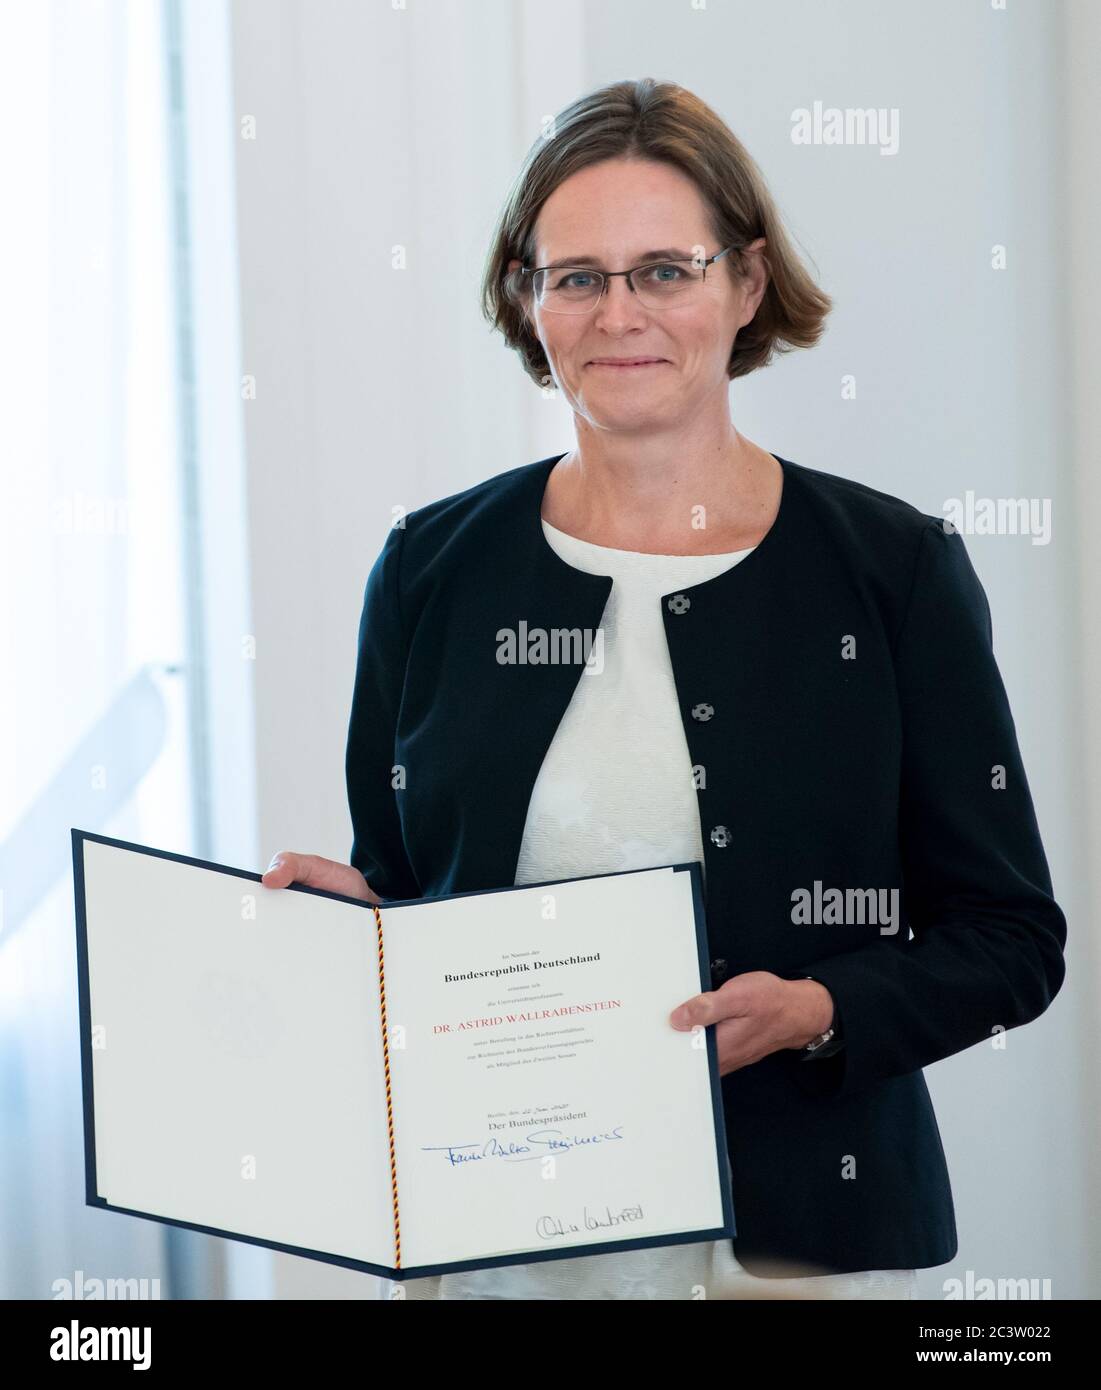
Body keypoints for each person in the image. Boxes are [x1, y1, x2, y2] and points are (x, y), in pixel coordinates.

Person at [262, 78, 1066, 1300]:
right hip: (498, 1252)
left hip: (793, 1258)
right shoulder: (429, 566)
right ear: (526, 300)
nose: (617, 312)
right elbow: (413, 898)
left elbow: (1012, 940)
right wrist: (349, 936)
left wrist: (818, 1007)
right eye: (575, 275)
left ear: (746, 285)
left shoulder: (893, 571)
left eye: (665, 270)